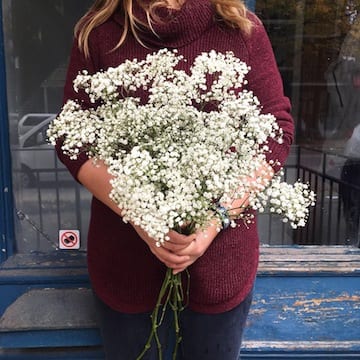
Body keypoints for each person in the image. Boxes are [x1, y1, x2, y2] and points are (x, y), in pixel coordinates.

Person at [56, 0, 294, 359]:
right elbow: (70, 136)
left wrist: (216, 218)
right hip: (125, 266)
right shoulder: (99, 32)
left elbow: (276, 129)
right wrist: (142, 214)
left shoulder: (239, 28)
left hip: (220, 265)